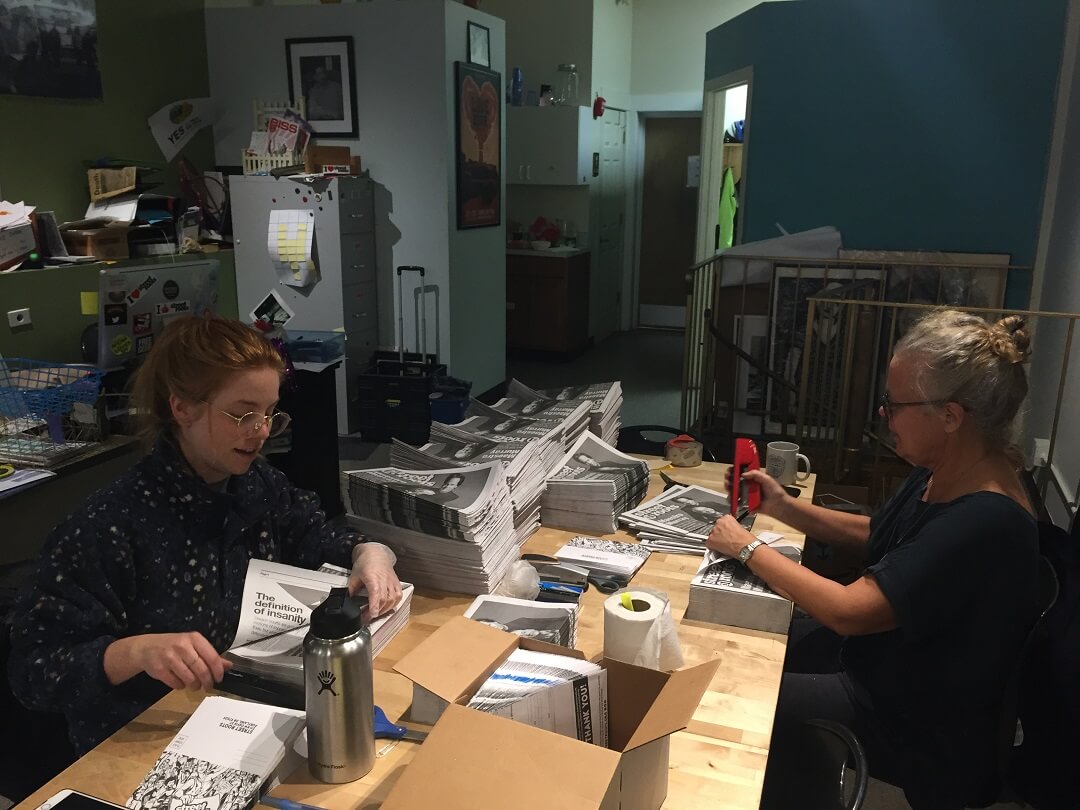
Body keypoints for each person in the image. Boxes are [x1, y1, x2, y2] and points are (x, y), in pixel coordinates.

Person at [7, 316, 401, 755]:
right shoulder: (109, 524)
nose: (262, 430)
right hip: (140, 742)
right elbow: (34, 671)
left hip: (236, 717)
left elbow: (314, 532)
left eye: (270, 413)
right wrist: (136, 653)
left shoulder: (255, 484)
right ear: (183, 409)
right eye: (243, 414)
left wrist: (369, 550)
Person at [706, 310, 1039, 809]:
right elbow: (884, 536)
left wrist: (747, 548)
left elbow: (850, 610)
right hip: (880, 663)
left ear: (950, 416)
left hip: (911, 718)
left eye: (894, 404)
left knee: (736, 694)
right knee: (742, 634)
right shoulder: (944, 466)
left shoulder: (987, 517)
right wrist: (783, 506)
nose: (883, 415)